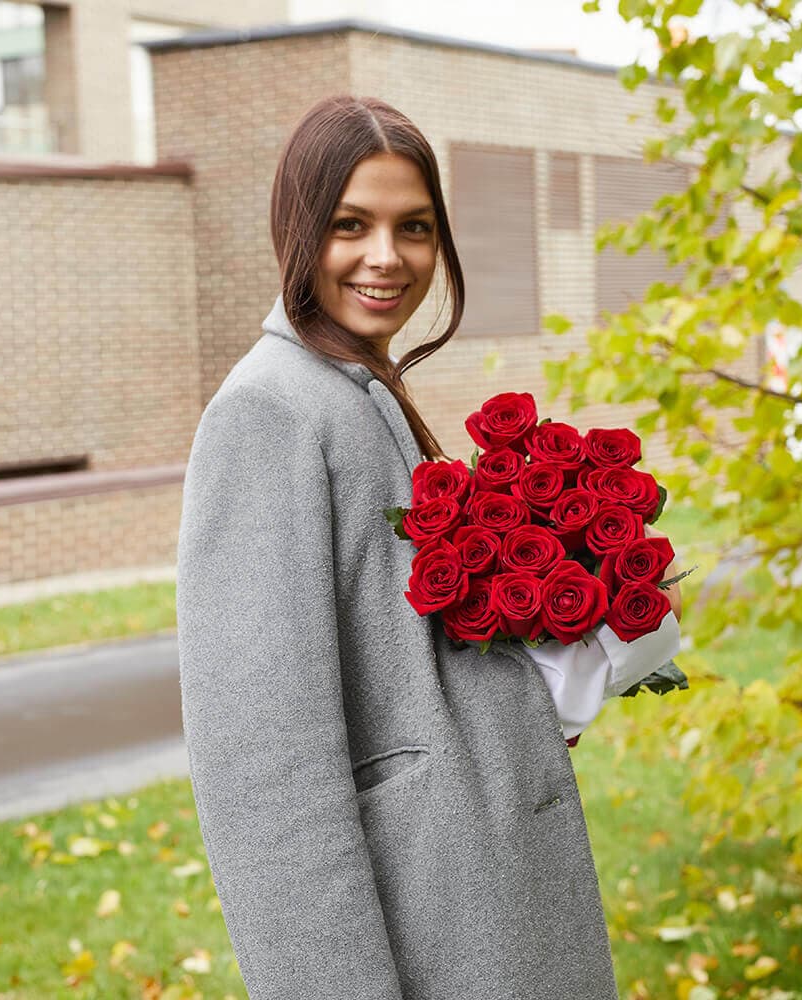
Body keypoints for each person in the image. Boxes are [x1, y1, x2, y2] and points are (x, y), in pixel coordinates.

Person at [176, 93, 680, 1000]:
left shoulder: (356, 388)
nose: (388, 256)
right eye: (350, 225)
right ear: (296, 229)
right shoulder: (270, 412)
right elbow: (265, 775)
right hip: (426, 941)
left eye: (414, 226)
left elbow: (408, 673)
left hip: (478, 908)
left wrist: (560, 664)